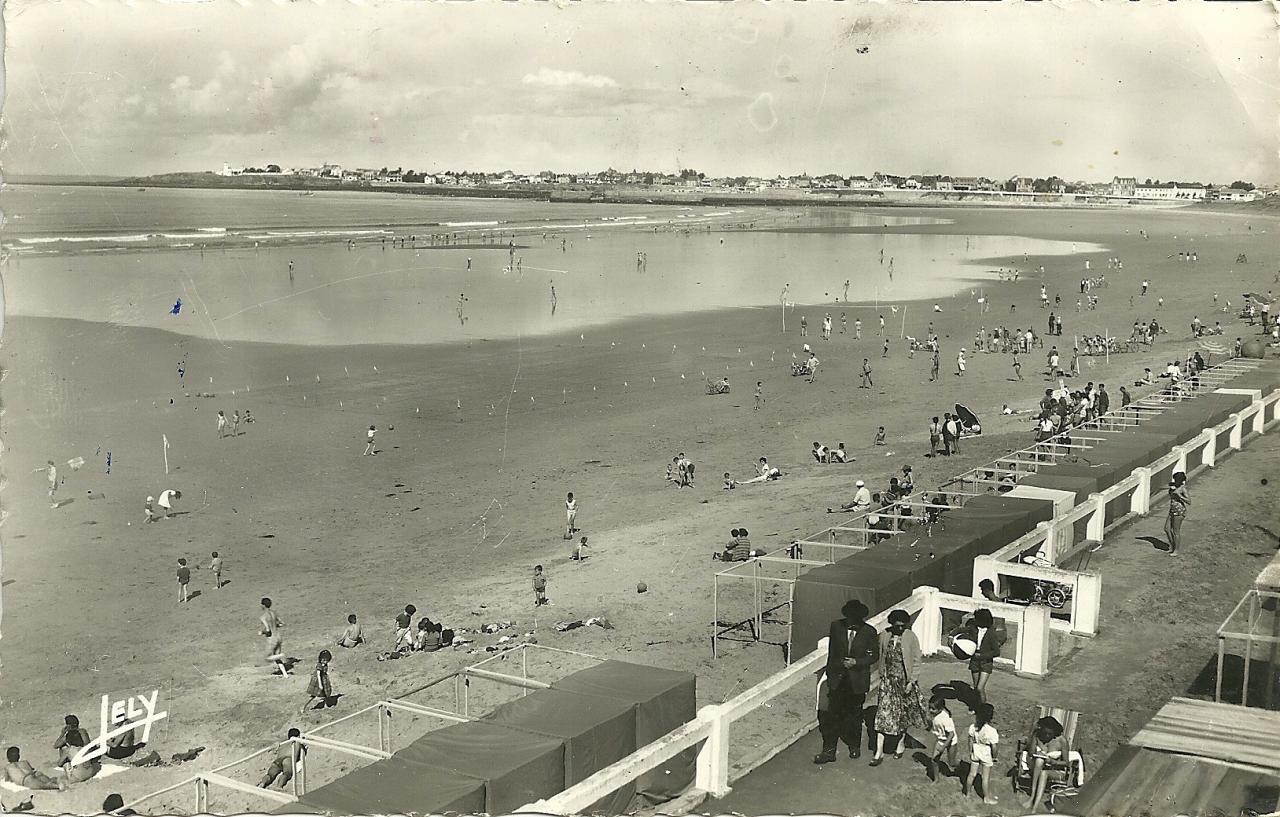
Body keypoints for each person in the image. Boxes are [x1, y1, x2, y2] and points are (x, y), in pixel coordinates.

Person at [814, 600, 880, 764]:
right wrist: (831, 674)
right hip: (838, 678)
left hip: (856, 680)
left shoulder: (869, 631)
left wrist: (856, 663)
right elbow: (832, 652)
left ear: (861, 617)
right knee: (832, 715)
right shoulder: (836, 626)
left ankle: (854, 746)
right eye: (850, 616)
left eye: (855, 616)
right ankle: (829, 751)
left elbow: (874, 656)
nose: (852, 619)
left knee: (854, 714)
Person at [870, 609, 924, 765]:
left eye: (902, 626)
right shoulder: (885, 636)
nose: (900, 629)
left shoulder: (910, 637)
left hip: (903, 682)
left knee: (901, 715)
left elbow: (916, 661)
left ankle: (900, 743)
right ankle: (878, 752)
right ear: (892, 624)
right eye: (897, 626)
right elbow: (880, 657)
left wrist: (911, 682)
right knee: (882, 714)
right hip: (887, 682)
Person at [1026, 716, 1071, 810]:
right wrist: (1035, 746)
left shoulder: (1062, 740)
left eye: (1049, 734)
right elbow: (1030, 753)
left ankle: (1035, 806)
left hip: (1055, 771)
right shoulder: (1038, 735)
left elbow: (1066, 763)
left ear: (1055, 733)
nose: (1046, 736)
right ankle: (1032, 796)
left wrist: (1053, 762)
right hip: (1037, 768)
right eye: (1045, 733)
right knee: (1039, 761)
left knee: (1044, 772)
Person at [961, 609, 1005, 702]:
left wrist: (981, 656)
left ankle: (983, 709)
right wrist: (951, 636)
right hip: (975, 661)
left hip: (986, 663)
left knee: (980, 688)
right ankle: (976, 705)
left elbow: (996, 652)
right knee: (976, 687)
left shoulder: (991, 633)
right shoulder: (974, 628)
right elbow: (960, 629)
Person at [964, 703, 1000, 805]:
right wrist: (994, 756)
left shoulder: (973, 727)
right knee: (985, 777)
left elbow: (970, 740)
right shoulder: (992, 731)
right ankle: (986, 798)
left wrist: (970, 752)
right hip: (986, 753)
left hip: (976, 750)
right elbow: (994, 747)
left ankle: (968, 793)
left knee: (971, 774)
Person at [927, 695, 958, 782]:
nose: (930, 710)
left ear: (940, 709)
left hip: (951, 741)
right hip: (941, 739)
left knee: (952, 763)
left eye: (933, 709)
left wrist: (944, 746)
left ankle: (962, 767)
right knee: (934, 760)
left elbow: (951, 734)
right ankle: (936, 779)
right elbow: (933, 725)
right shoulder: (934, 715)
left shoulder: (945, 719)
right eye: (929, 707)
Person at [300, 650, 333, 714]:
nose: (325, 661)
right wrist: (320, 684)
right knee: (313, 695)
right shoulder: (319, 665)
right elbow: (318, 674)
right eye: (324, 660)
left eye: (326, 660)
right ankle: (303, 706)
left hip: (324, 679)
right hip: (318, 681)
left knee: (326, 693)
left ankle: (326, 704)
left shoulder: (325, 664)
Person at [1165, 472, 1189, 556]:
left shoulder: (1183, 489)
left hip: (1179, 511)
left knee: (1176, 531)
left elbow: (1189, 501)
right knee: (1167, 529)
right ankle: (1173, 545)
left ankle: (1176, 550)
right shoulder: (1174, 486)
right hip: (1172, 509)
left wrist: (1180, 496)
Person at [260, 597, 286, 675]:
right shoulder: (274, 613)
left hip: (272, 639)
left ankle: (282, 655)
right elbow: (282, 623)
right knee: (276, 656)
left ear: (263, 605)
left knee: (267, 658)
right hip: (278, 636)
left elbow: (268, 630)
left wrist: (262, 632)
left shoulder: (263, 617)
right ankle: (285, 674)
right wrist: (275, 625)